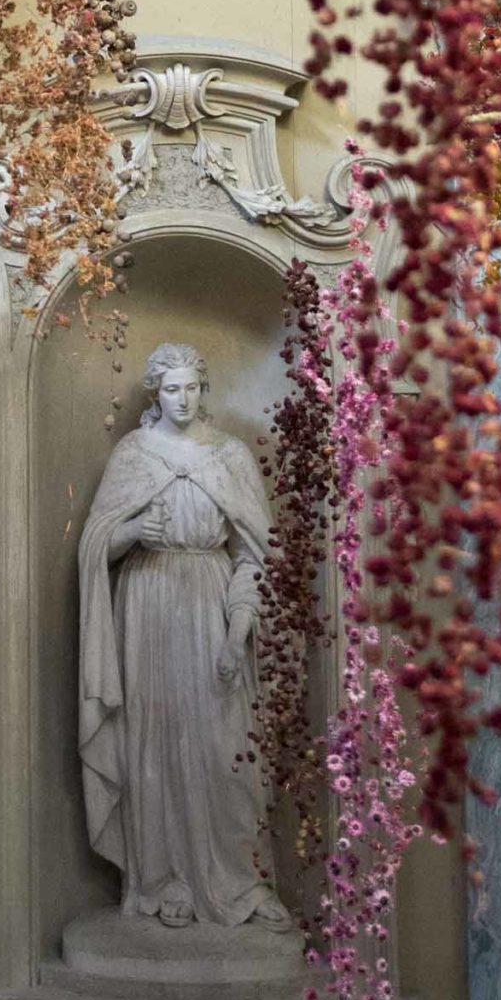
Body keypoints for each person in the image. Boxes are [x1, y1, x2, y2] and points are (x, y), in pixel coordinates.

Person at [77, 340, 290, 930]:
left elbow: (255, 555)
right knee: (155, 745)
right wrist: (132, 532)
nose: (182, 398)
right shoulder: (133, 454)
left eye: (191, 387)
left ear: (204, 389)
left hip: (212, 600)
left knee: (228, 749)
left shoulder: (230, 456)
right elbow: (96, 544)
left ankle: (242, 882)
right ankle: (162, 881)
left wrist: (236, 630)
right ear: (156, 393)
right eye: (171, 389)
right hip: (146, 606)